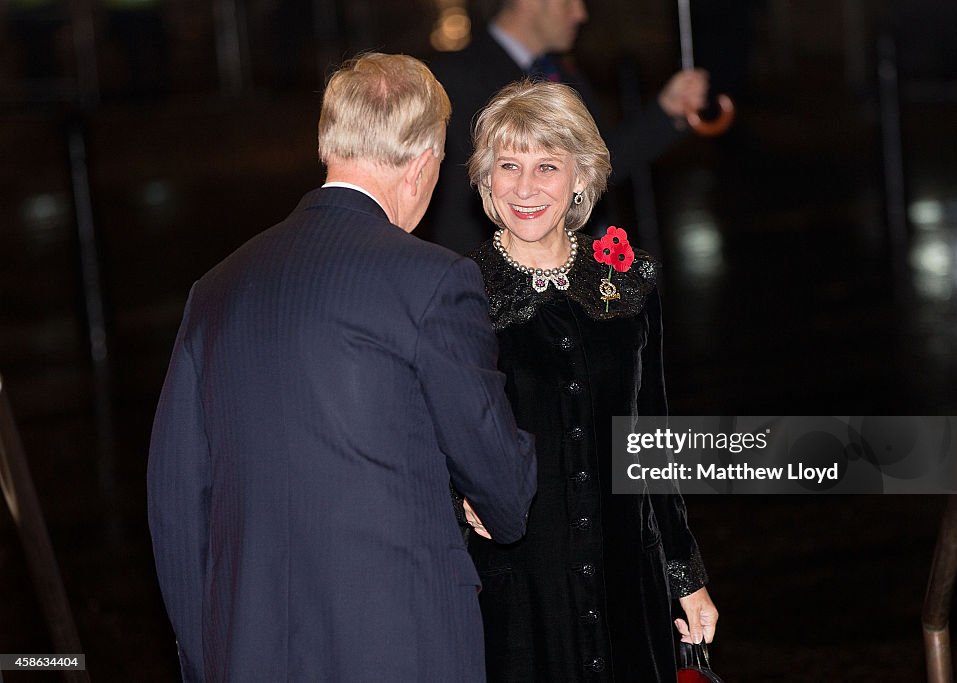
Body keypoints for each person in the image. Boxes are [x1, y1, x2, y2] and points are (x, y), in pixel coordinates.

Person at [147, 53, 537, 682]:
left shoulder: (215, 290)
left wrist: (207, 660)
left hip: (249, 654)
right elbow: (507, 494)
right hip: (402, 647)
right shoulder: (433, 282)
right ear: (422, 160)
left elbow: (175, 506)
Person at [456, 79, 717, 682]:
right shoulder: (459, 295)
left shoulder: (626, 284)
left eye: (547, 165)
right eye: (508, 165)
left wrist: (686, 576)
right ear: (485, 179)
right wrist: (459, 496)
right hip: (520, 590)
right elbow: (431, 440)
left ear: (581, 175)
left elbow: (651, 434)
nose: (525, 187)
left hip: (627, 578)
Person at [427, 0, 710, 253]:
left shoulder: (560, 73)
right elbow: (457, 204)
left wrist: (665, 112)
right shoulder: (458, 77)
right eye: (569, 3)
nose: (581, 14)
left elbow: (598, 163)